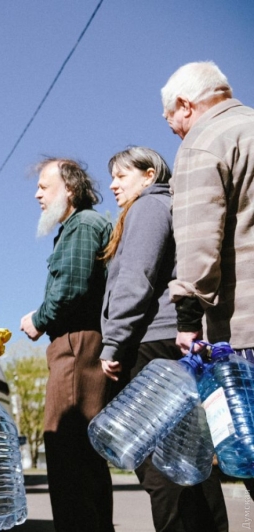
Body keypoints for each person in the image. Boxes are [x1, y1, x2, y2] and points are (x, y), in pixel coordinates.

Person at [99, 146, 228, 532]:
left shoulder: (150, 207)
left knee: (159, 468)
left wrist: (113, 342)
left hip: (151, 346)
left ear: (149, 174)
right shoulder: (160, 206)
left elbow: (136, 279)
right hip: (167, 345)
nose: (113, 184)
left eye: (122, 176)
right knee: (187, 458)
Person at [161, 60, 254, 496]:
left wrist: (186, 319)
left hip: (246, 325)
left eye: (172, 122)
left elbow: (198, 244)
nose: (176, 132)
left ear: (185, 105)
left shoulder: (205, 141)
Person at [20, 158, 114, 532]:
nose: (37, 194)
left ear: (70, 190)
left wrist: (39, 319)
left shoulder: (82, 225)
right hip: (79, 344)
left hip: (77, 347)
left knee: (68, 451)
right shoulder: (80, 227)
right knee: (81, 457)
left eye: (45, 186)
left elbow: (71, 288)